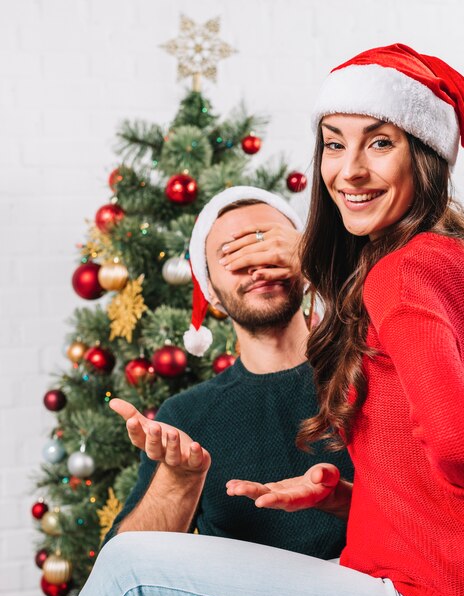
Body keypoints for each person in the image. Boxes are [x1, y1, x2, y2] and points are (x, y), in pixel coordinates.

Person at [66, 45, 464, 596]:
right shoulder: (444, 254)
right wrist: (346, 498)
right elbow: (437, 476)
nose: (350, 169)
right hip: (448, 586)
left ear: (426, 155)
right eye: (334, 143)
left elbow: (461, 448)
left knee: (130, 571)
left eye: (380, 141)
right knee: (133, 561)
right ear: (208, 286)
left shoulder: (398, 272)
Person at [102, 185, 353, 560]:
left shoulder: (370, 369)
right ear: (211, 292)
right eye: (231, 255)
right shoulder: (185, 416)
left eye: (268, 243)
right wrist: (179, 482)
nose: (257, 264)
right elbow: (124, 566)